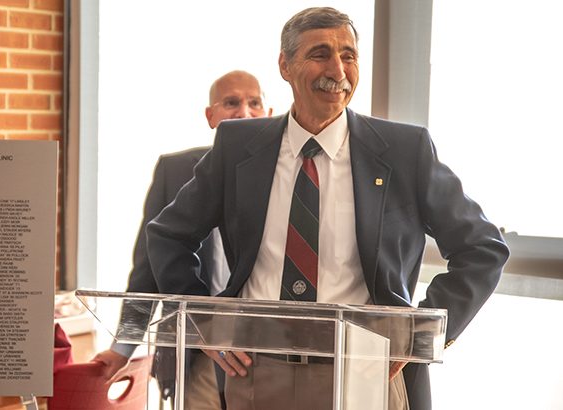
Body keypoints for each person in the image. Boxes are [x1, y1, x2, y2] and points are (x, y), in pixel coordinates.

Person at [146, 7, 509, 410]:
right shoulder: (236, 146)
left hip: (366, 371)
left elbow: (482, 248)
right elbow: (168, 235)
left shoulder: (406, 151)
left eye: (349, 55)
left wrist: (419, 334)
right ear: (285, 65)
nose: (337, 69)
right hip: (255, 373)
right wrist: (204, 323)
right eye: (320, 54)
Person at [90, 70, 272, 408]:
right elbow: (147, 271)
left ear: (270, 115)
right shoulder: (174, 171)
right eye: (231, 103)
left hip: (265, 350)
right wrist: (123, 346)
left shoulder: (288, 175)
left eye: (254, 103)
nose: (244, 113)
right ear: (210, 116)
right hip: (195, 353)